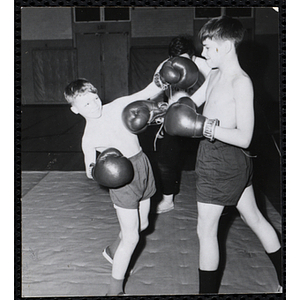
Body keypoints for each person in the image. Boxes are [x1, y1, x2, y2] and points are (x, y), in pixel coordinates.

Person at [163, 16, 282, 293]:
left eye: (207, 47)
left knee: (205, 231)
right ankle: (287, 277)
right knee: (254, 218)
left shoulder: (241, 82)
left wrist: (206, 126)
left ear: (226, 45)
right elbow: (192, 103)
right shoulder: (216, 73)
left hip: (225, 160)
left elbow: (245, 137)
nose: (202, 54)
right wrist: (165, 110)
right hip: (218, 158)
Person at [64, 79, 161, 295]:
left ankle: (112, 250)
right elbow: (89, 170)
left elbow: (147, 92)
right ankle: (114, 290)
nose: (94, 105)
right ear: (75, 110)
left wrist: (163, 76)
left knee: (143, 224)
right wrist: (101, 166)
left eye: (95, 99)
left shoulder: (117, 106)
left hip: (143, 167)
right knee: (132, 237)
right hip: (121, 179)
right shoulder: (88, 138)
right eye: (86, 105)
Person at [129, 36, 211, 214]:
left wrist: (191, 105)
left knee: (208, 160)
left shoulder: (205, 65)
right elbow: (155, 90)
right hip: (174, 118)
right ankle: (167, 200)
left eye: (185, 59)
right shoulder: (165, 65)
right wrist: (158, 108)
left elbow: (215, 86)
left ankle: (217, 201)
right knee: (165, 159)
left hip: (202, 117)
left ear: (192, 56)